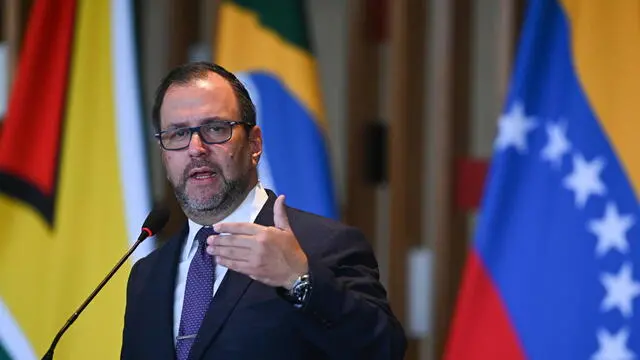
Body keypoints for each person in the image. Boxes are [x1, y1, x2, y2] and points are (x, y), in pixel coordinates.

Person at [120, 61, 407, 360]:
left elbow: (383, 351)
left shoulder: (322, 246)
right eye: (178, 134)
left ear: (254, 144)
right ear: (165, 156)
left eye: (215, 128)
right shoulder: (146, 274)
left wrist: (301, 281)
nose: (196, 148)